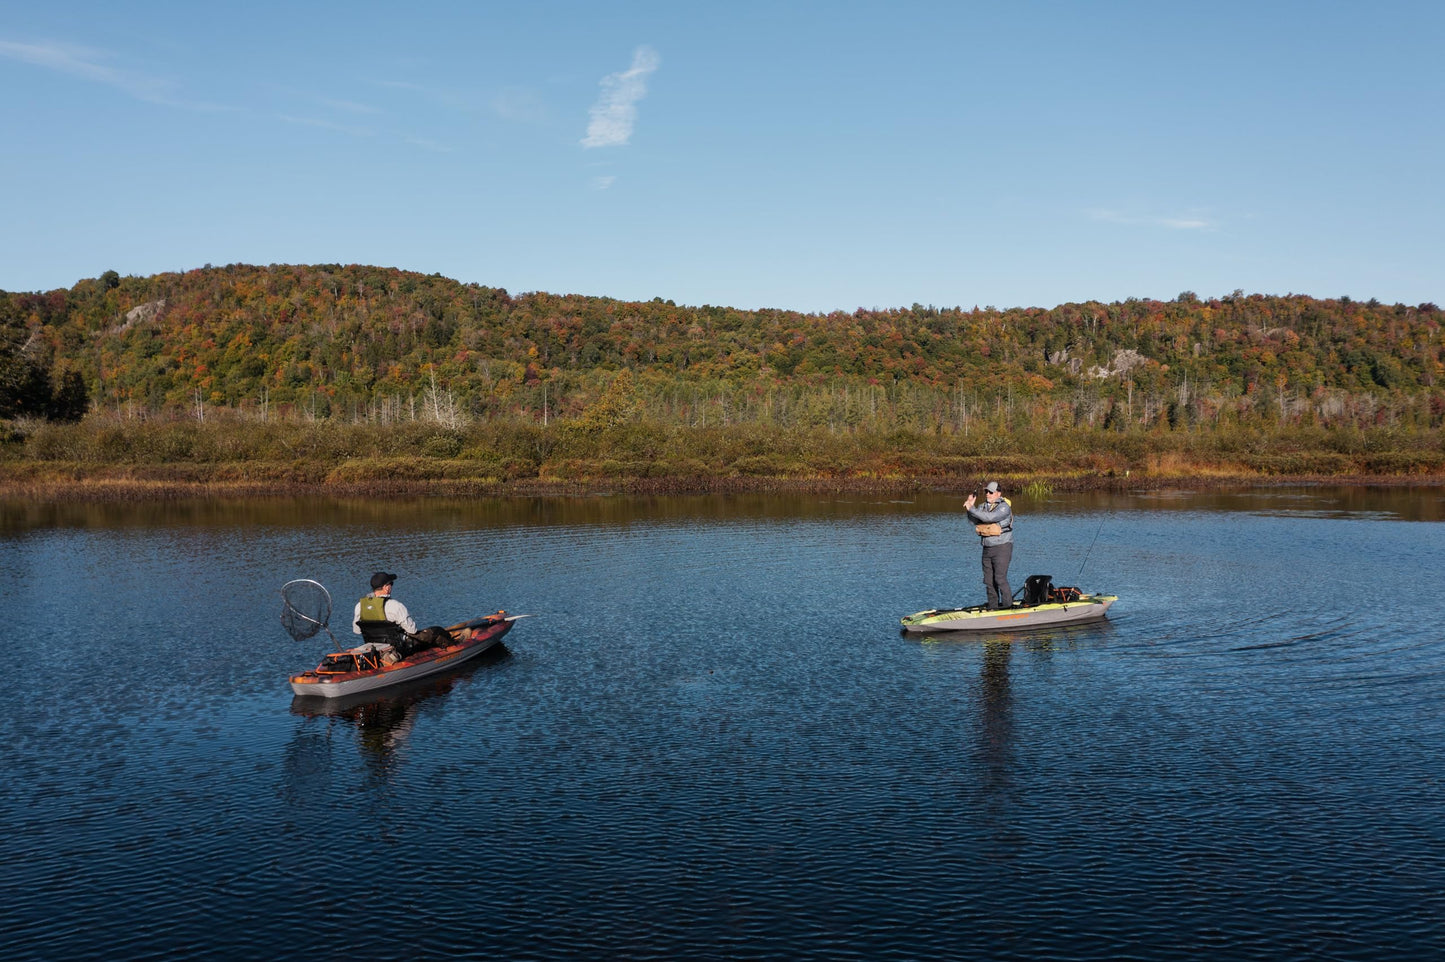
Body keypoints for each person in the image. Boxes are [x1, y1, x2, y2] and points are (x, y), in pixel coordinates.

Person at [964, 481, 1014, 610]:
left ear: (998, 493)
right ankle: (993, 607)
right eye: (986, 491)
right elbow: (973, 520)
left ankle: (1008, 606)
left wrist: (972, 508)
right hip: (987, 548)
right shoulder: (982, 506)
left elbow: (989, 518)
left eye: (991, 492)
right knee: (989, 581)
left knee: (1000, 578)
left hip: (1002, 547)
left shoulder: (1004, 507)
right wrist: (970, 507)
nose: (988, 494)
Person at [354, 571, 419, 648]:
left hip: (372, 647)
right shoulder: (396, 606)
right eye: (391, 584)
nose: (391, 586)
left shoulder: (360, 606)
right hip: (397, 648)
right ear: (386, 587)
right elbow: (412, 630)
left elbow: (357, 630)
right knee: (435, 632)